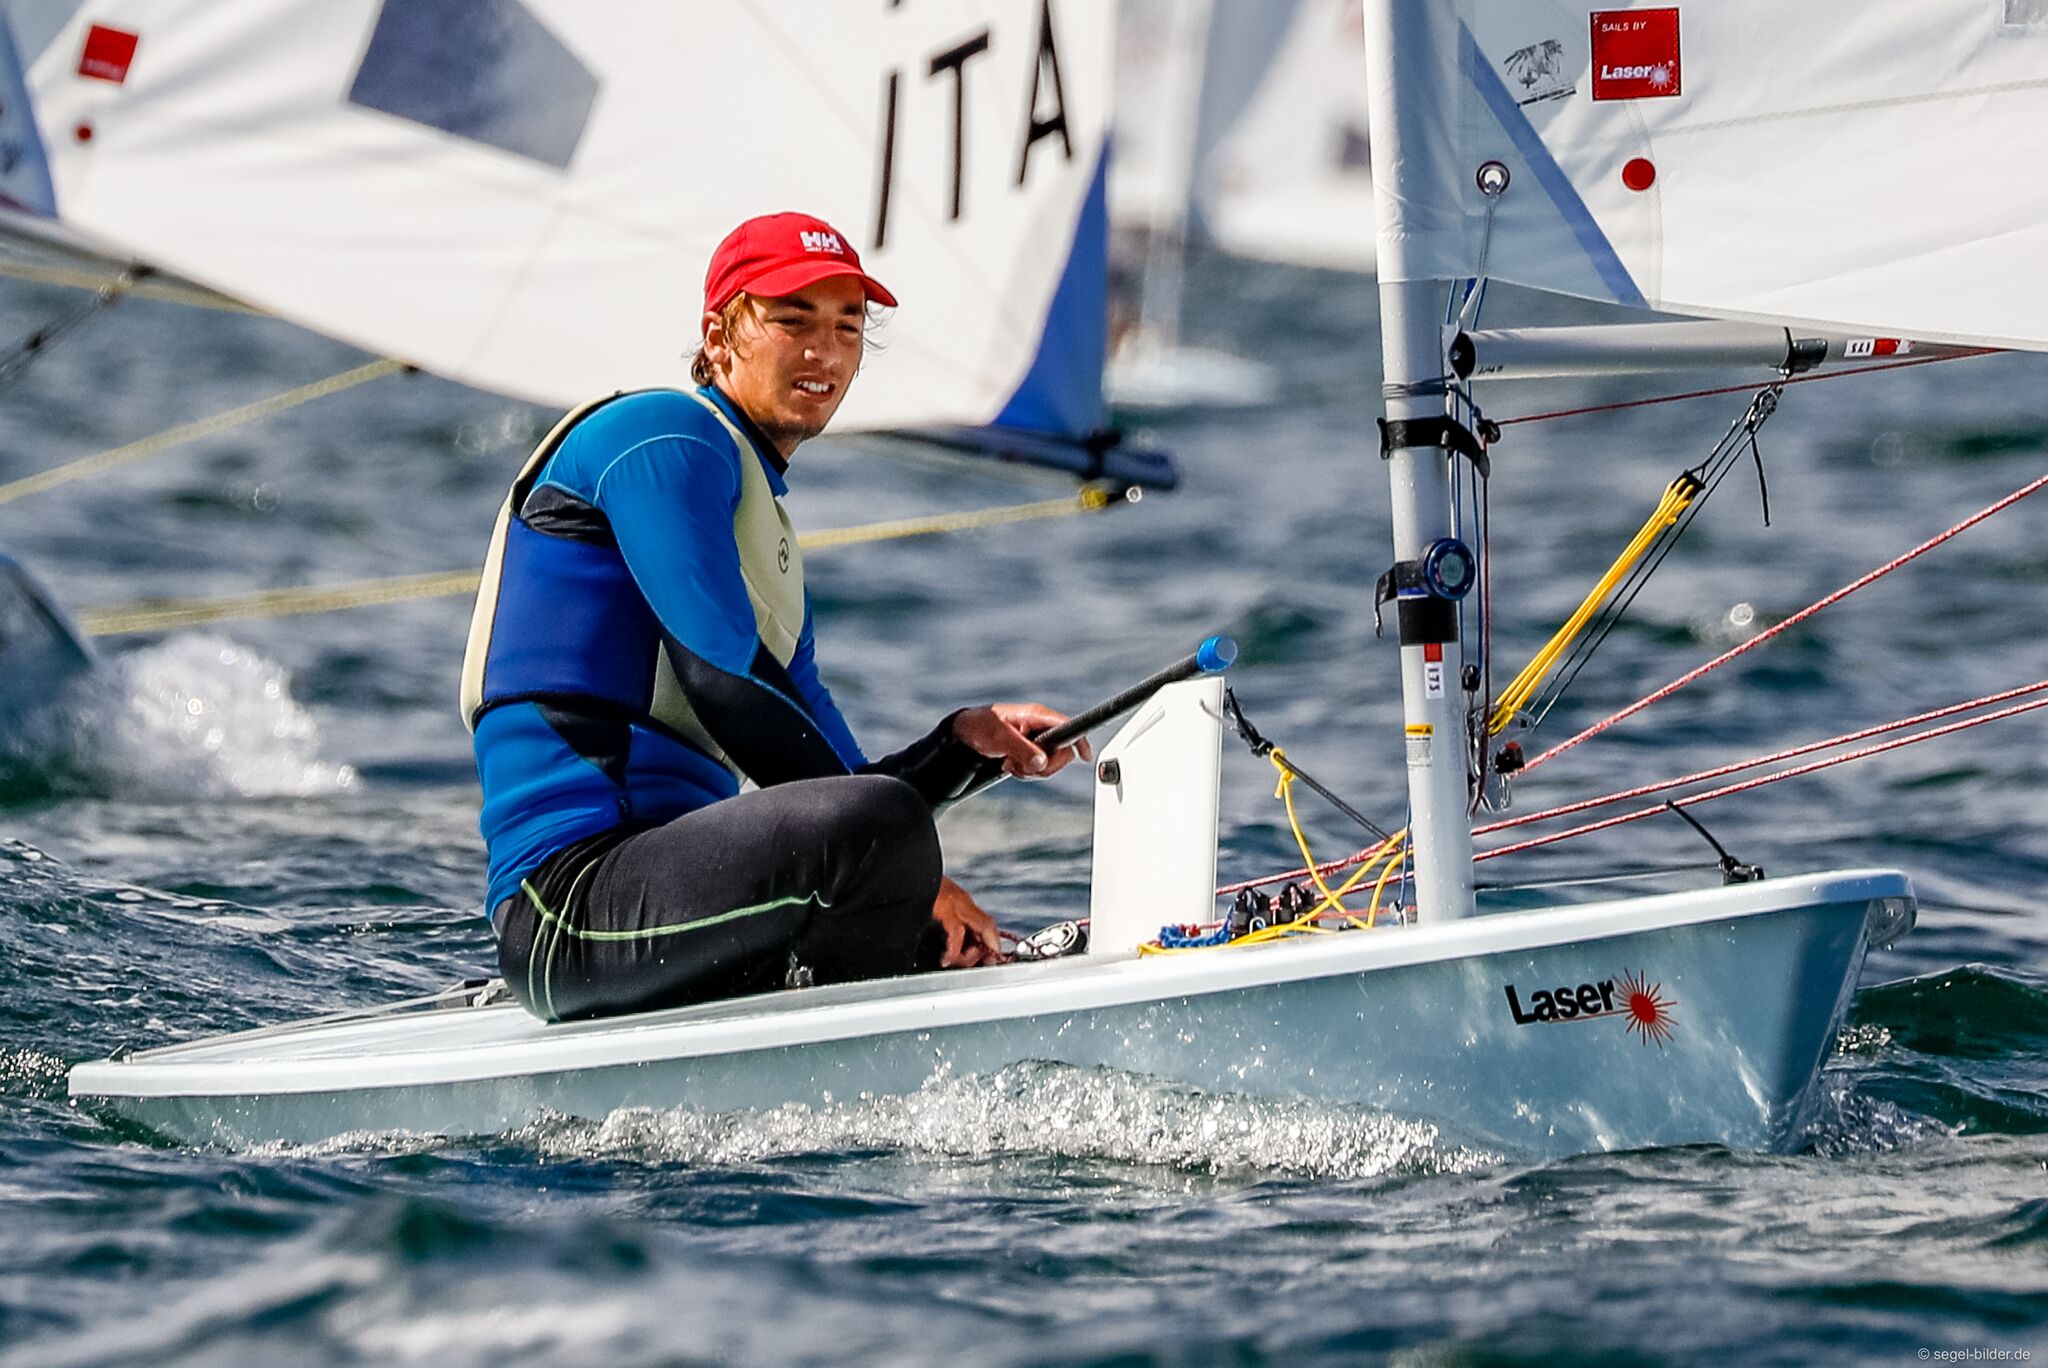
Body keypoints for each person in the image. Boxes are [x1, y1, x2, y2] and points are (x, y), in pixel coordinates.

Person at [459, 211, 1088, 1024]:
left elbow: (830, 775)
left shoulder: (768, 538)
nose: (824, 351)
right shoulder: (662, 436)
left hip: (676, 908)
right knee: (883, 841)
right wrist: (917, 871)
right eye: (792, 320)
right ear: (720, 334)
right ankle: (867, 1063)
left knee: (891, 854)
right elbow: (723, 684)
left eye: (849, 326)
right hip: (569, 911)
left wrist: (955, 746)